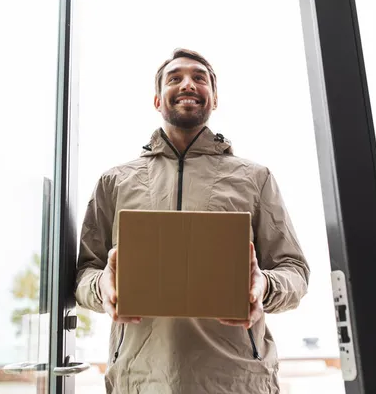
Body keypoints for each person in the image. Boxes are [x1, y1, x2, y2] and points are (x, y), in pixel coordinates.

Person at [75, 48, 310, 394]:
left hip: (237, 381)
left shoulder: (255, 178)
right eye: (175, 78)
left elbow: (295, 271)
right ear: (157, 100)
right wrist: (103, 288)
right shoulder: (114, 182)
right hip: (139, 381)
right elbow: (84, 273)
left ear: (214, 98)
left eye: (199, 78)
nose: (188, 84)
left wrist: (264, 287)